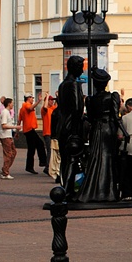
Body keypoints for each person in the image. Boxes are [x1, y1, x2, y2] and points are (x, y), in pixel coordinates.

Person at [77, 68, 123, 203]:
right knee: (108, 158)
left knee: (96, 157)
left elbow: (91, 118)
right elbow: (116, 117)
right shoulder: (113, 96)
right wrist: (125, 132)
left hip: (96, 130)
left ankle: (94, 189)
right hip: (108, 129)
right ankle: (109, 192)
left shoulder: (90, 99)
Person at [55, 55, 87, 198]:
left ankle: (65, 189)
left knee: (65, 160)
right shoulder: (73, 84)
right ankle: (68, 191)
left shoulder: (63, 84)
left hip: (63, 127)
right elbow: (76, 109)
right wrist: (76, 131)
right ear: (74, 68)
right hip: (71, 128)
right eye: (81, 67)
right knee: (71, 160)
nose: (82, 70)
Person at [20, 94, 48, 175]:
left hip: (28, 130)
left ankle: (30, 167)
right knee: (40, 144)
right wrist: (39, 101)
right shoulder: (26, 105)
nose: (32, 99)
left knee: (32, 149)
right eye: (32, 98)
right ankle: (42, 161)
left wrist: (17, 132)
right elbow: (30, 108)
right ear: (28, 98)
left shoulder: (22, 108)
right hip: (29, 130)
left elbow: (19, 119)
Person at [0, 97, 19, 179]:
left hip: (8, 135)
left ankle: (5, 169)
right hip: (5, 136)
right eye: (12, 103)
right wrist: (15, 127)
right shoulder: (5, 112)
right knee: (8, 154)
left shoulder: (7, 112)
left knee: (13, 152)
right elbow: (4, 125)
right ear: (9, 104)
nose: (13, 105)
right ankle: (5, 172)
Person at [42, 94, 60, 178]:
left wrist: (58, 97)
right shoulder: (45, 110)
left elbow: (58, 106)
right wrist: (46, 97)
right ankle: (47, 167)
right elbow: (45, 107)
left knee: (52, 150)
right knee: (49, 150)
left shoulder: (53, 109)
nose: (52, 101)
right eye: (50, 100)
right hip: (47, 132)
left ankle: (48, 167)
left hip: (53, 133)